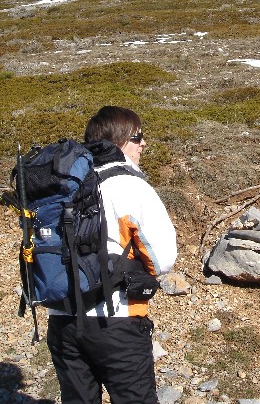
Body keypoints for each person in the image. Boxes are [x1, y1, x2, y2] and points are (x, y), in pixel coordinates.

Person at [46, 106, 177, 404]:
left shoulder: (63, 185)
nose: (144, 144)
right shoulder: (129, 184)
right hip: (115, 319)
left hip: (62, 318)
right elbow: (163, 257)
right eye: (138, 137)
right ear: (118, 141)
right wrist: (132, 270)